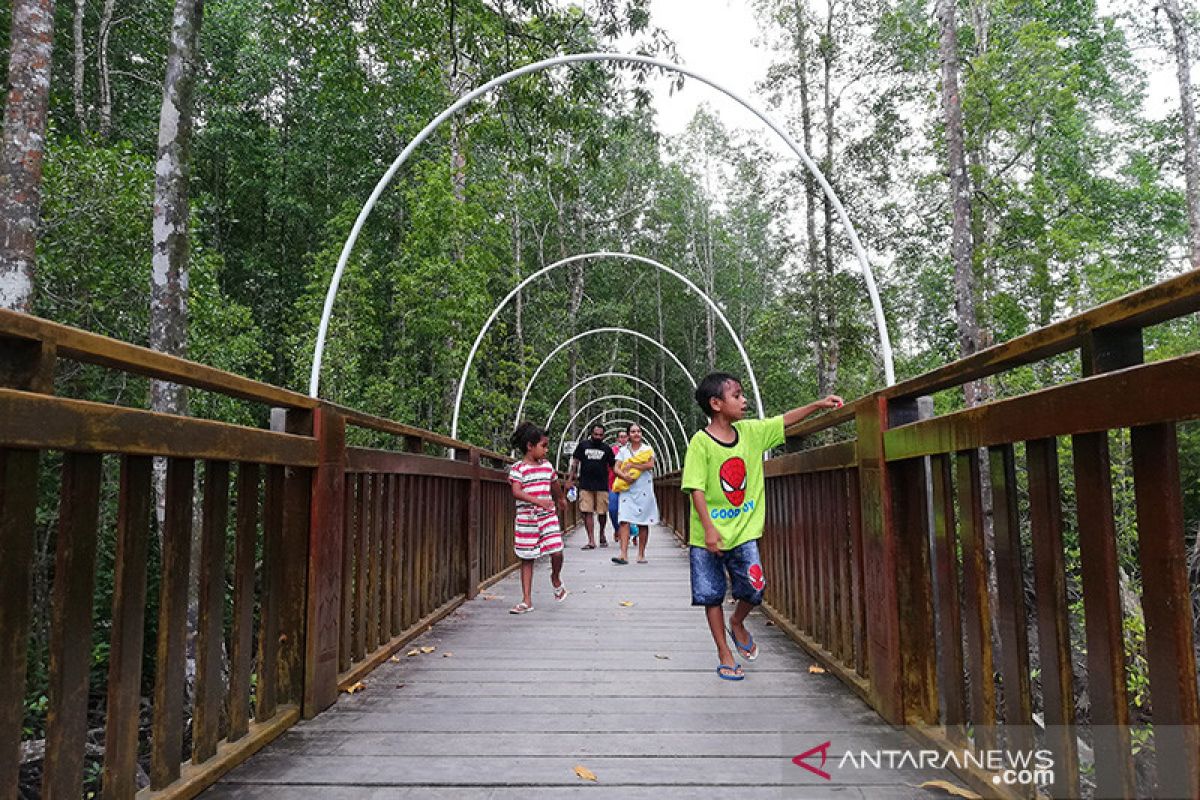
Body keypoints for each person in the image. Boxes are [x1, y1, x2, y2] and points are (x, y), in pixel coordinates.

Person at [681, 372, 842, 680]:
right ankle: (724, 652)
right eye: (737, 395)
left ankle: (738, 622)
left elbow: (784, 421)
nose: (744, 401)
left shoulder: (751, 432)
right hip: (707, 536)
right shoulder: (700, 443)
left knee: (755, 588)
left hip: (744, 533)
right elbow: (695, 488)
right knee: (710, 594)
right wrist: (709, 529)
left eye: (743, 394)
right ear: (716, 404)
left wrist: (817, 405)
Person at [508, 421, 569, 614]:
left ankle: (555, 577)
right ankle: (526, 600)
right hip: (527, 519)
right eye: (543, 446)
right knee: (527, 557)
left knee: (557, 551)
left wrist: (560, 499)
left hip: (547, 517)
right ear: (530, 446)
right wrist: (538, 501)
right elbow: (516, 491)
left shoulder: (547, 467)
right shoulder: (518, 469)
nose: (546, 450)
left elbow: (554, 484)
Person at [611, 423, 658, 565]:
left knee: (643, 522)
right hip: (627, 489)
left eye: (638, 431)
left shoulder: (647, 449)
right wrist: (624, 477)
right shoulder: (623, 451)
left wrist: (633, 466)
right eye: (633, 432)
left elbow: (650, 465)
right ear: (629, 435)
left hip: (644, 488)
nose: (636, 434)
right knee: (624, 520)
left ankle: (641, 554)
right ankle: (623, 554)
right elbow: (616, 467)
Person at [566, 423, 616, 549]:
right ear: (591, 434)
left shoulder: (607, 449)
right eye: (596, 434)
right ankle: (591, 540)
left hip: (602, 484)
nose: (598, 437)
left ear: (604, 435)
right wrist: (570, 479)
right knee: (587, 511)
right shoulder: (583, 446)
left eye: (600, 435)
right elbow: (575, 463)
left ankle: (602, 534)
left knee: (602, 512)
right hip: (586, 483)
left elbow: (613, 466)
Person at [605, 429, 629, 544]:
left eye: (625, 437)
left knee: (629, 510)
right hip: (613, 484)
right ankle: (617, 529)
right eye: (621, 437)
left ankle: (629, 533)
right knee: (613, 509)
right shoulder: (612, 451)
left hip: (629, 485)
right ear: (617, 439)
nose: (623, 439)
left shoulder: (632, 451)